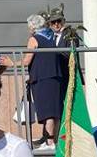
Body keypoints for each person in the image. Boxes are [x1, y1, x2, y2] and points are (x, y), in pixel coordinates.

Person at [10, 13, 67, 148]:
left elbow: (27, 60)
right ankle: (55, 141)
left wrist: (10, 62)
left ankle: (50, 142)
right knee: (55, 112)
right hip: (56, 77)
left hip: (42, 78)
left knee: (47, 113)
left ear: (32, 27)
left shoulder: (34, 39)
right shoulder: (52, 36)